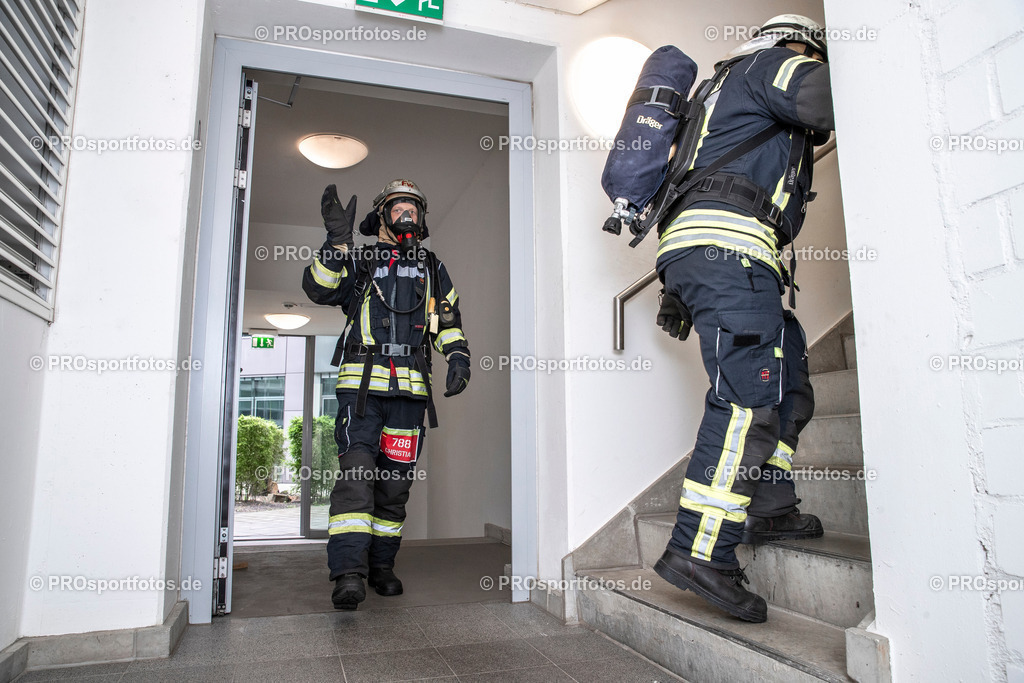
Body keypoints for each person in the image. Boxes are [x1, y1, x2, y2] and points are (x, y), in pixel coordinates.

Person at [651, 14, 835, 623]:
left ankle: (769, 504)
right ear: (799, 45)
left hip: (711, 253)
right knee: (745, 401)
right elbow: (829, 98)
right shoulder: (772, 63)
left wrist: (680, 285)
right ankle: (701, 551)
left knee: (790, 382)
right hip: (730, 252)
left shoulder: (718, 92)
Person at [302, 179, 471, 610]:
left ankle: (380, 567)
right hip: (361, 394)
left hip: (409, 396)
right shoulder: (360, 261)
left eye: (413, 208)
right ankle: (348, 574)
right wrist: (337, 243)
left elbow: (448, 320)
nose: (407, 216)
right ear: (381, 217)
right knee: (357, 484)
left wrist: (458, 358)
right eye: (398, 208)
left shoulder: (433, 268)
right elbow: (320, 288)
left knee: (394, 489)